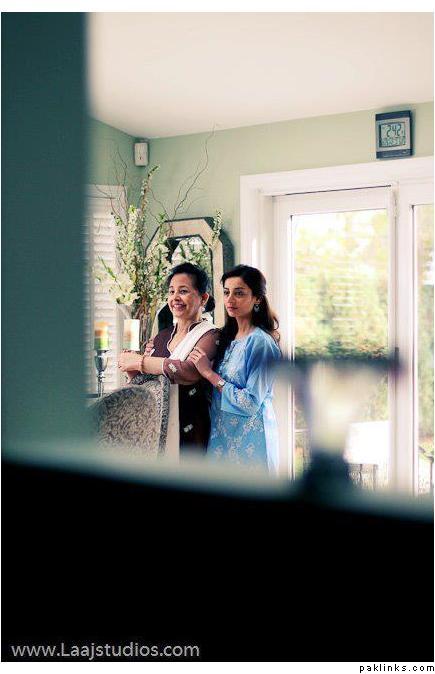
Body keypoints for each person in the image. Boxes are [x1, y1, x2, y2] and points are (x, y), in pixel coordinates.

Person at [117, 263, 220, 456]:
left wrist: (140, 362)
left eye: (183, 291)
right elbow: (150, 384)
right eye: (172, 292)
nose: (175, 298)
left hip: (190, 429)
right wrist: (132, 371)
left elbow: (188, 371)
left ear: (203, 298)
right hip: (155, 429)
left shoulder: (211, 335)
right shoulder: (162, 336)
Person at [188, 264, 281, 473]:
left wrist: (209, 374)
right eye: (226, 292)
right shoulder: (226, 338)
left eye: (239, 293)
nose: (230, 300)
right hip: (221, 438)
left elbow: (250, 403)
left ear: (257, 298)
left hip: (252, 444)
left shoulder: (261, 343)